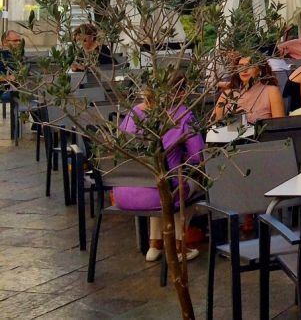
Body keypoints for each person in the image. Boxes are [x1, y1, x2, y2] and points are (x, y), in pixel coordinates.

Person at [113, 77, 204, 262]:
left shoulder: (134, 113)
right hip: (161, 194)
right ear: (180, 91)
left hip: (123, 192)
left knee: (159, 181)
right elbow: (198, 158)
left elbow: (119, 149)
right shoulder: (182, 114)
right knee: (193, 184)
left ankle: (154, 244)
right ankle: (179, 246)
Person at [214, 56, 286, 124]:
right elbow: (212, 125)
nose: (244, 70)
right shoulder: (227, 93)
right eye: (240, 66)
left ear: (259, 70)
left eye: (249, 66)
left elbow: (279, 125)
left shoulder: (271, 91)